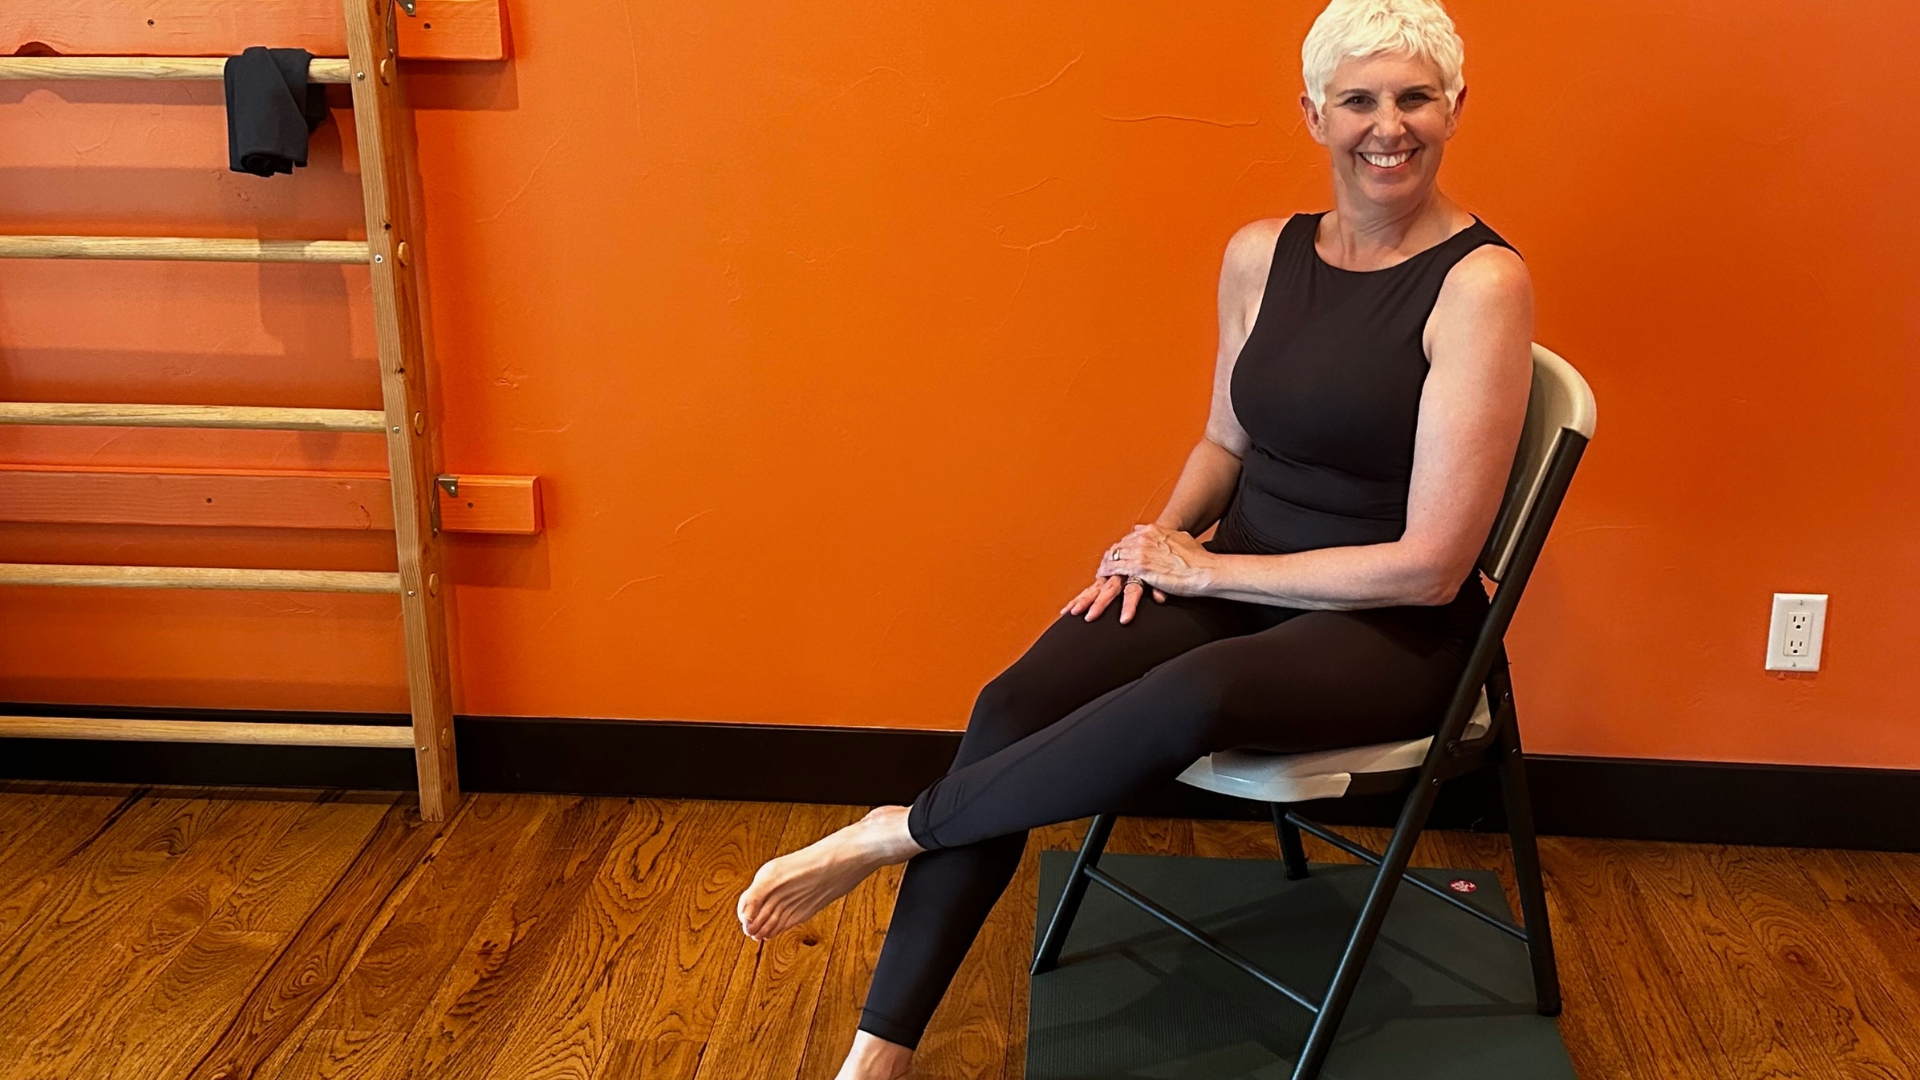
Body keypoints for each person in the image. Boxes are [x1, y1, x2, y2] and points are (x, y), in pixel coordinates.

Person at [737, 1, 1533, 1076]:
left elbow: (1433, 565)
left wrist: (1206, 568)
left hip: (1392, 630)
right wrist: (1154, 540)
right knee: (1011, 703)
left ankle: (897, 830)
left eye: (1414, 97)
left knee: (1191, 693)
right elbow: (1224, 437)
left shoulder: (1481, 285)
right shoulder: (1262, 255)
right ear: (1312, 114)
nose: (1387, 125)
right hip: (1237, 574)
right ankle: (880, 1052)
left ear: (1455, 109)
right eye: (1358, 100)